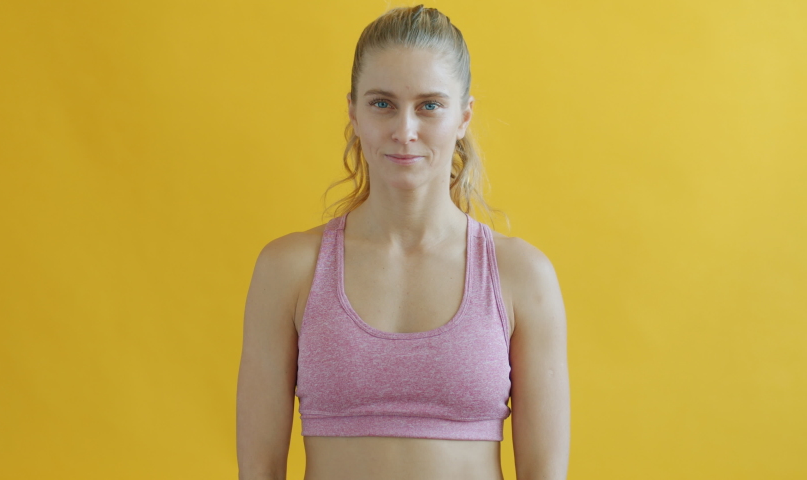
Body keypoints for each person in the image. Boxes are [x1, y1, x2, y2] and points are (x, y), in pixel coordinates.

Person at [236, 5, 569, 479]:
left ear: (463, 116)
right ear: (353, 110)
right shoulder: (289, 270)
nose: (404, 130)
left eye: (429, 105)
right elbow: (259, 470)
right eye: (382, 103)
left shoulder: (521, 276)